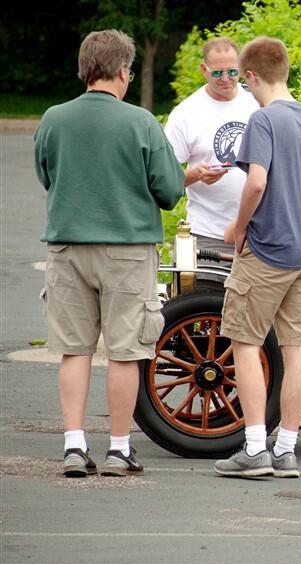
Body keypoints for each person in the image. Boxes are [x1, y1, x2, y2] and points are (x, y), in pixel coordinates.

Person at [34, 29, 185, 477]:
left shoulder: (54, 118)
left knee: (74, 350)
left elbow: (48, 175)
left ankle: (74, 445)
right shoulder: (140, 122)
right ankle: (120, 448)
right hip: (127, 249)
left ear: (85, 70)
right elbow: (170, 190)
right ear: (122, 70)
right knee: (125, 351)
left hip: (67, 247)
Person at [212, 36, 301, 479]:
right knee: (296, 347)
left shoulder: (263, 121)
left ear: (250, 76)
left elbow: (255, 183)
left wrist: (242, 225)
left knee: (245, 344)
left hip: (268, 250)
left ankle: (253, 447)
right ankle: (286, 448)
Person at [164, 37, 259, 284]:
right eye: (217, 72)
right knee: (206, 309)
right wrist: (195, 175)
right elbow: (164, 178)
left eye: (232, 71)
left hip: (255, 231)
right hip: (207, 233)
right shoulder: (185, 114)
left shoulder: (257, 103)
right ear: (203, 70)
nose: (226, 79)